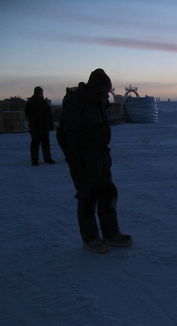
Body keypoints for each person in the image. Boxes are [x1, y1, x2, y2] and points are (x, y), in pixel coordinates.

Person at [59, 69, 132, 253]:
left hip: (100, 157)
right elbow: (65, 135)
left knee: (107, 194)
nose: (107, 95)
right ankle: (90, 238)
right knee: (88, 198)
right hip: (83, 159)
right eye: (105, 91)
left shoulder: (97, 104)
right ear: (96, 89)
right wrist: (74, 160)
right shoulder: (77, 104)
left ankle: (111, 233)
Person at [25, 86, 55, 165]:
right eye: (40, 92)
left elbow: (49, 114)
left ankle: (48, 158)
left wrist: (50, 124)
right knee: (35, 143)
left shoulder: (44, 103)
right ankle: (35, 160)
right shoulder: (31, 103)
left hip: (44, 127)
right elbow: (28, 114)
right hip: (36, 127)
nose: (41, 94)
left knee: (45, 142)